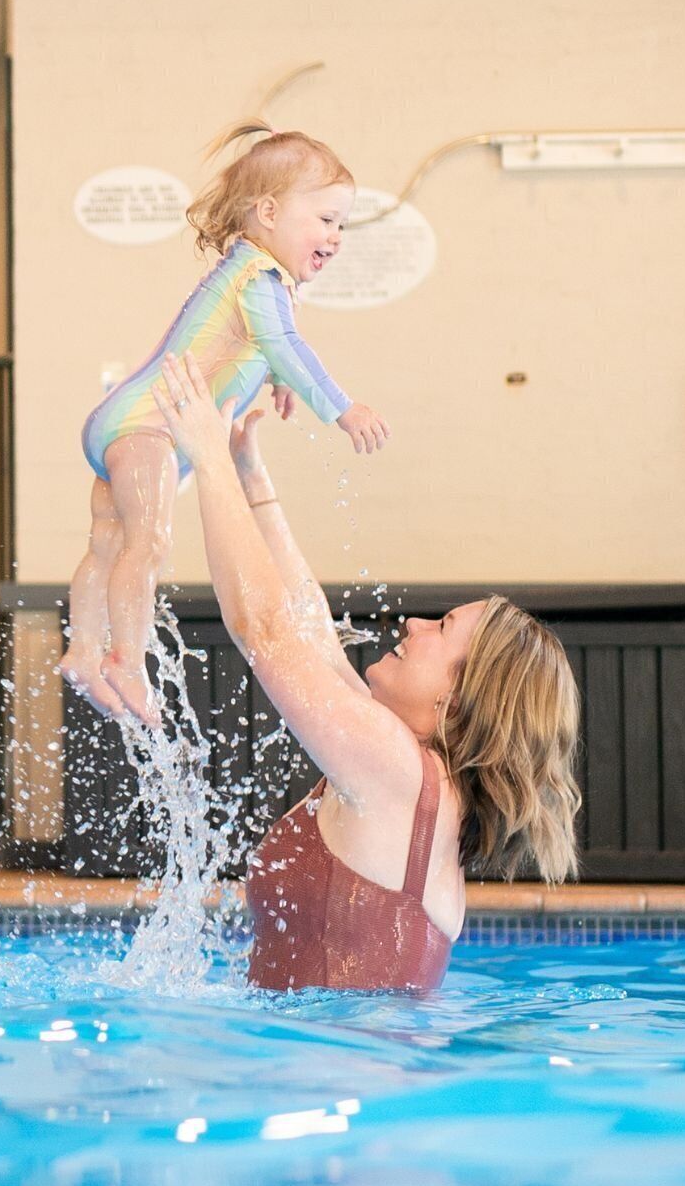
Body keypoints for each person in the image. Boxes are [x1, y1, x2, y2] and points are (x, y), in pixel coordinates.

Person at [143, 355, 583, 990]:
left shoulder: (399, 773)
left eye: (442, 630)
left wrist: (206, 459)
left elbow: (266, 632)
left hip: (335, 1070)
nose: (413, 626)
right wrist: (250, 478)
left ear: (460, 702)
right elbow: (312, 634)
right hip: (347, 1065)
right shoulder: (414, 774)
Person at [64, 124, 391, 729]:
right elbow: (282, 342)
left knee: (107, 542)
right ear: (268, 212)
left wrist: (281, 381)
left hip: (128, 421)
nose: (336, 238)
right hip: (152, 429)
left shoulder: (251, 277)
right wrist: (341, 407)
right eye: (325, 220)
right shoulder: (258, 278)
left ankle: (84, 651)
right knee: (150, 542)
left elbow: (259, 347)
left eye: (342, 224)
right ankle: (126, 661)